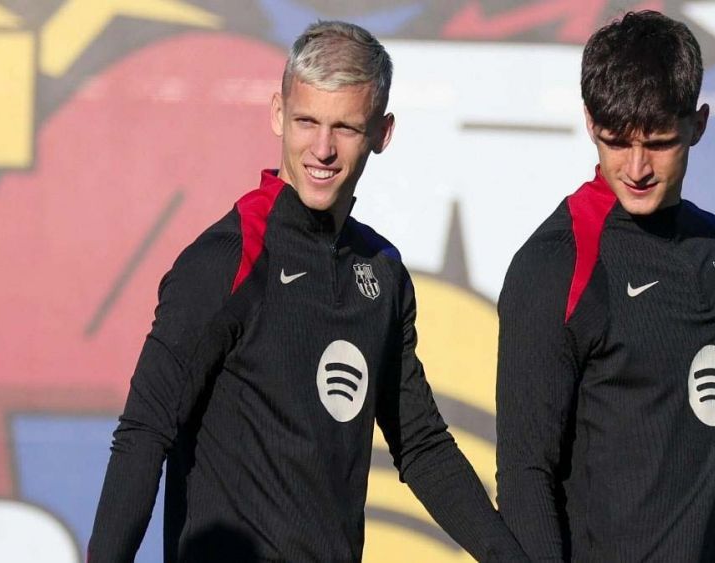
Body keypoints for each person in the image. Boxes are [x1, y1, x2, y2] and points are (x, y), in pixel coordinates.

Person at [89, 20, 526, 563]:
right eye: (306, 121)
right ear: (277, 114)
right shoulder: (227, 260)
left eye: (345, 127)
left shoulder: (382, 272)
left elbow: (422, 447)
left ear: (382, 134)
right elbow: (144, 432)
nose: (322, 148)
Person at [495, 11, 715, 562]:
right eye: (617, 141)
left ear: (698, 124)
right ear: (591, 123)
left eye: (659, 142)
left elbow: (709, 442)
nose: (636, 167)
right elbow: (524, 474)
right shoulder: (555, 265)